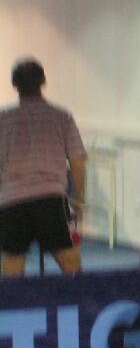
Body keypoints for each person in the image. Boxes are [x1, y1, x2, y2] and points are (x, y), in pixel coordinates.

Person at [0, 57, 86, 277]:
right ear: (43, 81)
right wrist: (78, 200)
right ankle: (80, 298)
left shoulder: (3, 119)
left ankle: (13, 301)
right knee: (72, 268)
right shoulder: (62, 117)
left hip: (12, 201)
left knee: (12, 271)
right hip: (51, 199)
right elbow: (77, 163)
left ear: (14, 84)